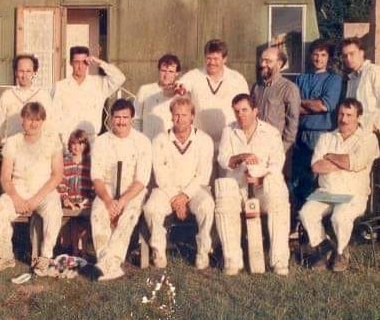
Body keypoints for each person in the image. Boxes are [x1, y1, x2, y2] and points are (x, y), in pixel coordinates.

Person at [215, 94, 290, 276]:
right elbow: (223, 159)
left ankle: (279, 260)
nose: (241, 115)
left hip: (262, 187)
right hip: (238, 187)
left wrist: (259, 178)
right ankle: (233, 260)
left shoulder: (271, 132)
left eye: (245, 110)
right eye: (237, 111)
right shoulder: (229, 131)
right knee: (223, 190)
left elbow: (277, 164)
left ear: (255, 111)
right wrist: (242, 156)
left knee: (278, 193)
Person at [299, 99, 378, 272]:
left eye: (349, 115)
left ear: (358, 118)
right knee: (306, 214)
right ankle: (324, 246)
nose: (344, 119)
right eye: (341, 114)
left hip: (354, 193)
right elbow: (316, 166)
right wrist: (345, 163)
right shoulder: (327, 137)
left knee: (339, 218)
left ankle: (341, 252)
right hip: (326, 191)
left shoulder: (368, 139)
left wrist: (331, 157)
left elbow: (355, 163)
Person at [0, 102, 63, 276]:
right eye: (29, 119)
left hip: (44, 190)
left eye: (37, 120)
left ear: (43, 121)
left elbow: (57, 175)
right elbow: (5, 178)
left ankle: (45, 257)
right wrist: (16, 198)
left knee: (54, 211)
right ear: (22, 120)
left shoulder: (52, 140)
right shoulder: (13, 142)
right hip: (19, 190)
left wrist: (36, 199)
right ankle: (6, 256)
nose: (33, 123)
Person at [143, 96, 215, 269]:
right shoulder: (160, 140)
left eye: (184, 115)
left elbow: (203, 176)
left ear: (192, 116)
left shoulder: (204, 140)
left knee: (207, 205)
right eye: (176, 114)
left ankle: (203, 251)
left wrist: (184, 196)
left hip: (195, 189)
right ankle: (158, 251)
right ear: (171, 116)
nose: (180, 119)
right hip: (167, 190)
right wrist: (177, 198)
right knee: (151, 208)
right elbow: (160, 176)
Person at [91, 99, 152, 281]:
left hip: (133, 189)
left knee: (129, 215)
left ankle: (112, 261)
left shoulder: (142, 142)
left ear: (132, 119)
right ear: (110, 119)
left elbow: (142, 180)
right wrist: (109, 201)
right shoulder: (101, 142)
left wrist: (123, 201)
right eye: (117, 117)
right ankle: (105, 262)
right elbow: (97, 177)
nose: (121, 122)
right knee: (98, 213)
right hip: (107, 189)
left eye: (125, 117)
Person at [292, 39, 342, 233]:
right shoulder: (301, 78)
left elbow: (324, 106)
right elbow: (295, 108)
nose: (318, 58)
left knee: (319, 181)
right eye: (315, 54)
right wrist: (308, 105)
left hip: (321, 134)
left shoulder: (334, 79)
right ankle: (299, 226)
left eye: (323, 55)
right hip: (301, 134)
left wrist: (305, 103)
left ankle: (321, 225)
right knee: (298, 181)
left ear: (328, 58)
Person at [180, 39, 249, 146]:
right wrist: (180, 89)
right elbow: (180, 86)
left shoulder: (237, 79)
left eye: (216, 59)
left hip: (229, 142)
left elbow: (246, 109)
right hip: (199, 142)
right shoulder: (194, 75)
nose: (212, 63)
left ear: (225, 59)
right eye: (208, 58)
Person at [52, 46, 126, 144]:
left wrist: (99, 62)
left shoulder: (98, 84)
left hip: (91, 141)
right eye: (76, 62)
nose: (80, 66)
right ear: (71, 63)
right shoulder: (60, 87)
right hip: (67, 142)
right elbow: (54, 116)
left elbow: (120, 78)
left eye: (84, 62)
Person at [342, 37, 380, 156]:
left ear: (361, 53)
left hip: (375, 135)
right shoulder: (352, 80)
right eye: (345, 56)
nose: (348, 59)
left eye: (352, 54)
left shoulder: (375, 71)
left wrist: (374, 127)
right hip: (356, 137)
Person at [251, 47, 301, 179]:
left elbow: (293, 123)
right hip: (257, 148)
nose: (262, 64)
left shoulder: (289, 89)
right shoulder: (256, 87)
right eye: (262, 60)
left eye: (268, 61)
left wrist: (283, 149)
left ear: (279, 64)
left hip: (278, 149)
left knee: (276, 187)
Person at [0, 54, 54, 143]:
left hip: (37, 146)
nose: (24, 75)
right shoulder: (7, 95)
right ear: (15, 72)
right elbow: (0, 126)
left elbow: (49, 123)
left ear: (34, 73)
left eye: (28, 71)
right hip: (14, 146)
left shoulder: (43, 96)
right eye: (21, 71)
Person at [57, 129, 94, 256]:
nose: (76, 147)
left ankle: (83, 248)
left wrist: (90, 199)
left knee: (83, 222)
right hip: (70, 200)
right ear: (69, 145)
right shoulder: (65, 161)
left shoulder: (89, 162)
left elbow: (94, 182)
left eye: (80, 144)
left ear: (86, 145)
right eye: (73, 144)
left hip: (85, 200)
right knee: (72, 221)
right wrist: (65, 198)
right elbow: (61, 182)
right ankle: (74, 249)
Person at [134, 54, 182, 140]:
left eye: (171, 71)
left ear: (177, 73)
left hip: (170, 143)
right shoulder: (145, 90)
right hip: (148, 142)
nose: (166, 75)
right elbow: (136, 119)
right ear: (159, 70)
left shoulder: (180, 94)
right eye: (163, 70)